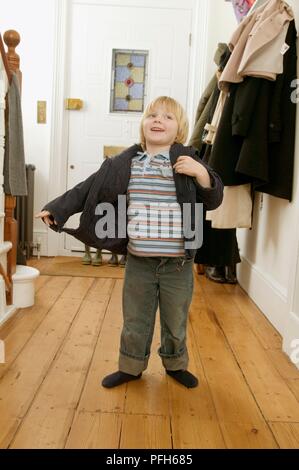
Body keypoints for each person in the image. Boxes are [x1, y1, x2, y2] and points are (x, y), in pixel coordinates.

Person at [36, 96, 223, 389]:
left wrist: (202, 174)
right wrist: (57, 209)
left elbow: (213, 199)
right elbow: (86, 189)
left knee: (175, 322)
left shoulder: (188, 161)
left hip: (178, 263)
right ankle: (131, 366)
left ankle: (175, 365)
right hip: (139, 262)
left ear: (180, 130)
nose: (158, 120)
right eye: (152, 115)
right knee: (135, 319)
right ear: (143, 125)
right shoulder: (126, 163)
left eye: (167, 117)